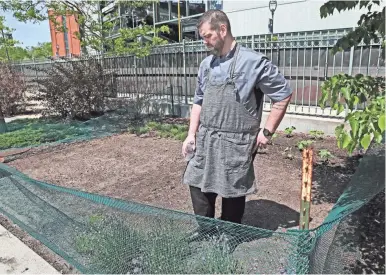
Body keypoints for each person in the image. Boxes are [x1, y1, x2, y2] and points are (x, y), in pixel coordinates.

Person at [182, 10, 292, 242]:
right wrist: (191, 134)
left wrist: (267, 131)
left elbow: (282, 95)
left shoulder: (253, 62)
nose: (204, 42)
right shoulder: (206, 65)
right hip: (206, 137)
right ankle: (206, 229)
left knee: (232, 188)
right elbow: (198, 101)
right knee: (197, 183)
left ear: (223, 30)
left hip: (237, 140)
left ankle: (231, 234)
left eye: (207, 36)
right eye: (202, 37)